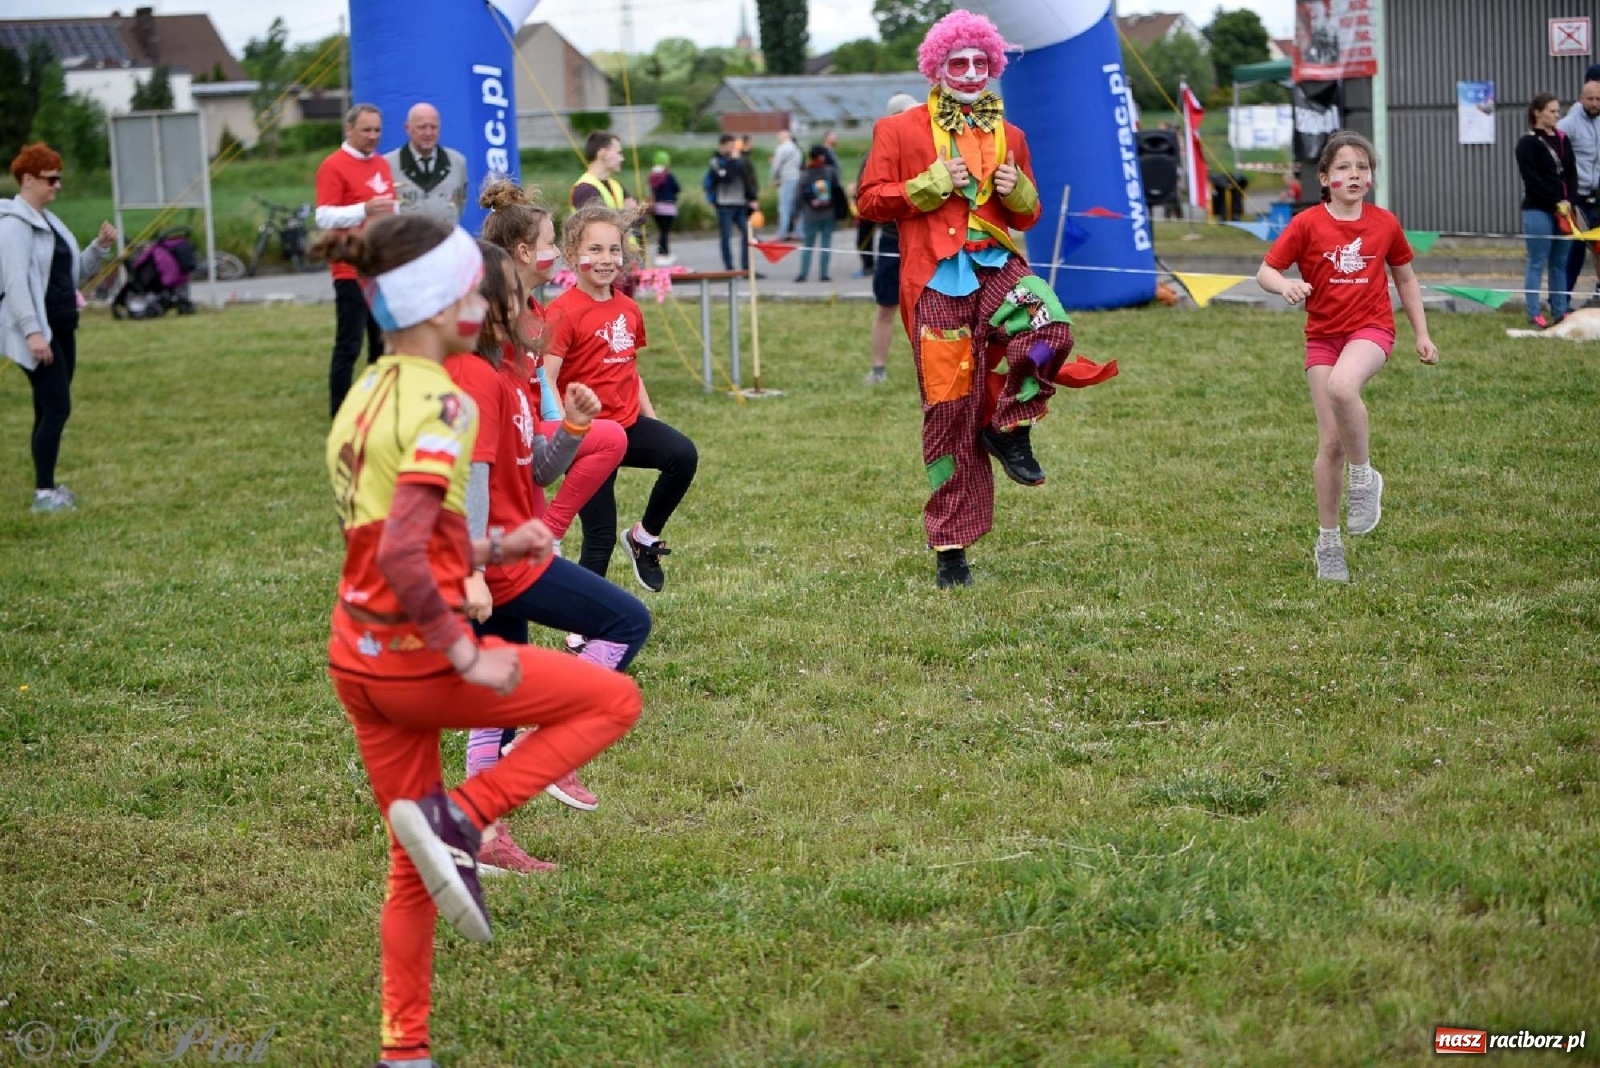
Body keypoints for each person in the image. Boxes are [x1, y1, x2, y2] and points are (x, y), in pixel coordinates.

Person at [320, 212, 643, 1068]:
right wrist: (463, 653)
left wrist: (497, 545)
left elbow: (403, 527)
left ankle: (405, 1049)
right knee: (614, 696)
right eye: (471, 285)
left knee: (408, 865)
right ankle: (463, 817)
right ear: (448, 305)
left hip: (354, 653)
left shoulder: (370, 389)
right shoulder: (444, 400)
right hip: (417, 658)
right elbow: (405, 545)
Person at [858, 10, 1097, 589]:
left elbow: (1028, 214)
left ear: (993, 67)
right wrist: (929, 183)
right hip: (936, 282)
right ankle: (951, 549)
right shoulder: (899, 130)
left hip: (996, 266)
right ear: (937, 67)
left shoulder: (1010, 134)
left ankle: (1011, 423)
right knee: (948, 413)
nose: (970, 72)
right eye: (957, 62)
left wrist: (1022, 191)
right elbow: (868, 201)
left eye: (979, 62)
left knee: (1050, 328)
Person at [445, 241, 649, 870]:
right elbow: (472, 480)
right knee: (627, 622)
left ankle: (480, 836)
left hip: (510, 551)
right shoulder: (475, 376)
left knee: (497, 696)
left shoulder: (510, 375)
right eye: (521, 295)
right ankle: (545, 742)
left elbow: (536, 470)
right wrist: (475, 570)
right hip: (504, 563)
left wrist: (575, 430)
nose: (535, 306)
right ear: (487, 306)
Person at [1256, 131, 1440, 583]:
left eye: (1362, 166)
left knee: (1343, 386)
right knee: (1330, 444)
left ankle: (1365, 478)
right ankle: (1329, 542)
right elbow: (1266, 271)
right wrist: (1287, 287)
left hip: (1371, 330)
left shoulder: (1385, 224)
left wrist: (1422, 333)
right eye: (1343, 167)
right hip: (1322, 337)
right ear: (1324, 177)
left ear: (1371, 178)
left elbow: (1407, 280)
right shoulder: (1306, 225)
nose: (1354, 174)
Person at [545, 204, 699, 593]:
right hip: (590, 438)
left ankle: (644, 538)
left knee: (682, 455)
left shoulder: (628, 308)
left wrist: (653, 419)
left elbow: (630, 368)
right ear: (571, 254)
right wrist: (568, 437)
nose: (606, 259)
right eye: (594, 250)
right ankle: (583, 630)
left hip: (627, 426)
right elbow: (546, 378)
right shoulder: (562, 312)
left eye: (614, 250)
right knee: (599, 536)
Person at [0, 143, 116, 513]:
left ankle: (46, 487)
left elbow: (71, 276)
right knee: (57, 408)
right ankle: (44, 495)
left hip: (64, 327)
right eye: (51, 179)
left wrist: (98, 248)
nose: (58, 186)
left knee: (46, 408)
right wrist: (33, 332)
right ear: (28, 179)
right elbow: (16, 284)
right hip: (41, 333)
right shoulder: (14, 227)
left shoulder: (50, 221)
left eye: (59, 178)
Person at [316, 103, 396, 417]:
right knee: (349, 345)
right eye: (366, 130)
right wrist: (364, 210)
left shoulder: (382, 164)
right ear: (349, 129)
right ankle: (340, 414)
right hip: (349, 268)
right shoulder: (333, 165)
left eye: (377, 130)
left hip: (380, 269)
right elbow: (324, 216)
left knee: (382, 344)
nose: (373, 136)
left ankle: (377, 409)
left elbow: (385, 209)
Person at [865, 94, 924, 385]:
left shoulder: (929, 147)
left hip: (927, 241)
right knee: (886, 306)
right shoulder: (880, 152)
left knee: (933, 310)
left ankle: (934, 370)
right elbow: (870, 201)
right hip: (893, 240)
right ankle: (878, 369)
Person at [1516, 93, 1579, 329]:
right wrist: (1555, 202)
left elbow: (1571, 174)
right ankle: (1534, 312)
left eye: (1557, 111)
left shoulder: (1563, 139)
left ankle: (1560, 310)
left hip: (1565, 210)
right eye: (1552, 111)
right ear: (1537, 113)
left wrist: (1570, 200)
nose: (1556, 115)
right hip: (1538, 210)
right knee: (1537, 261)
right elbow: (1532, 180)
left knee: (1560, 262)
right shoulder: (1527, 143)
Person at [386, 101, 468, 225]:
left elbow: (459, 203)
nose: (428, 133)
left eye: (433, 127)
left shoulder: (457, 162)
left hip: (445, 239)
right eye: (422, 127)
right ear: (407, 128)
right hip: (406, 240)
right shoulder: (388, 164)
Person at [1558, 77, 1600, 307]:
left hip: (1599, 194)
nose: (1595, 103)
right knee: (1574, 252)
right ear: (1581, 99)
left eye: (1598, 99)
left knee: (1599, 247)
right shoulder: (1569, 124)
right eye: (1590, 99)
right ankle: (1562, 300)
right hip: (1578, 197)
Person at [705, 134, 760, 274]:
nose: (732, 148)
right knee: (726, 236)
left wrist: (752, 198)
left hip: (740, 203)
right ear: (722, 146)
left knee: (748, 233)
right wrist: (733, 162)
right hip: (724, 204)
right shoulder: (716, 162)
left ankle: (746, 267)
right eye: (729, 145)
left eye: (733, 145)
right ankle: (729, 267)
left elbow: (745, 180)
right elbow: (726, 178)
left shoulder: (739, 162)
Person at [791, 145, 840, 283]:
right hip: (828, 213)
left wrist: (796, 213)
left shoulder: (805, 174)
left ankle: (803, 274)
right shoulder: (830, 171)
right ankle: (824, 274)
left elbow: (798, 195)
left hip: (810, 214)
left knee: (807, 245)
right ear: (821, 157)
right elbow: (837, 191)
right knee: (826, 244)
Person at [645, 150, 680, 263]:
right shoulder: (668, 175)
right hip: (668, 207)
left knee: (661, 231)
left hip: (656, 207)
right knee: (665, 232)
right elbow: (677, 188)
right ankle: (663, 254)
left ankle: (662, 253)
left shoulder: (652, 176)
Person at [771, 128, 803, 241]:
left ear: (783, 136)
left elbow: (776, 166)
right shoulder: (796, 148)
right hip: (797, 178)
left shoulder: (781, 148)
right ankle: (800, 232)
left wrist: (774, 179)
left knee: (784, 207)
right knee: (797, 207)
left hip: (785, 179)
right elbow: (799, 164)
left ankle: (782, 233)